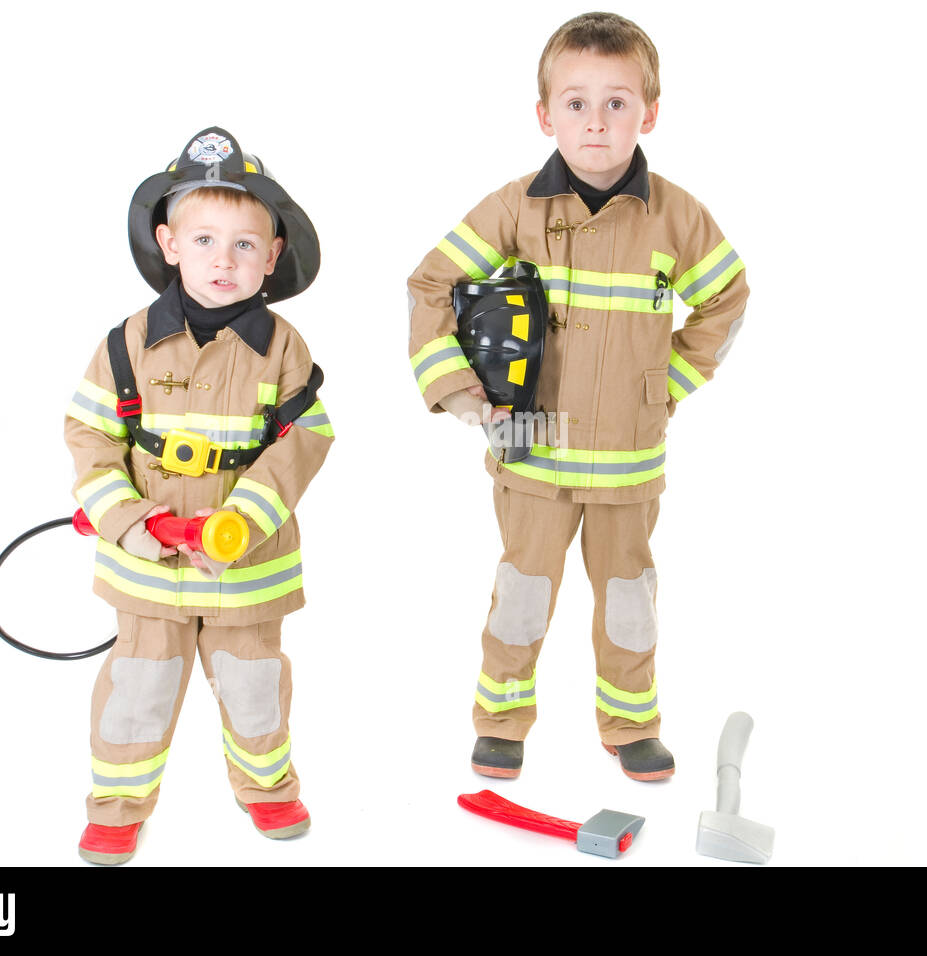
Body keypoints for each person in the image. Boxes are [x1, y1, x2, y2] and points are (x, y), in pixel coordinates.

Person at [407, 13, 750, 782]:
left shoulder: (678, 216)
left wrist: (670, 386)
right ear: (544, 114)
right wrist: (465, 397)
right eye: (575, 103)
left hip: (630, 455)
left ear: (649, 113)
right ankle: (501, 719)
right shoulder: (513, 206)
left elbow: (728, 299)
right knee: (522, 591)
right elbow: (429, 284)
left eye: (617, 103)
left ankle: (631, 725)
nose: (595, 121)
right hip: (531, 447)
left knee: (630, 597)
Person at [64, 127, 333, 864]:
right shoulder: (126, 343)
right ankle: (118, 806)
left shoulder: (283, 349)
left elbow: (305, 440)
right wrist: (127, 517)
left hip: (245, 572)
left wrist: (240, 523)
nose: (225, 259)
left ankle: (268, 789)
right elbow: (89, 436)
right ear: (169, 243)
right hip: (147, 572)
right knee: (137, 691)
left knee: (254, 688)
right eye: (206, 239)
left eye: (246, 245)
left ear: (273, 257)